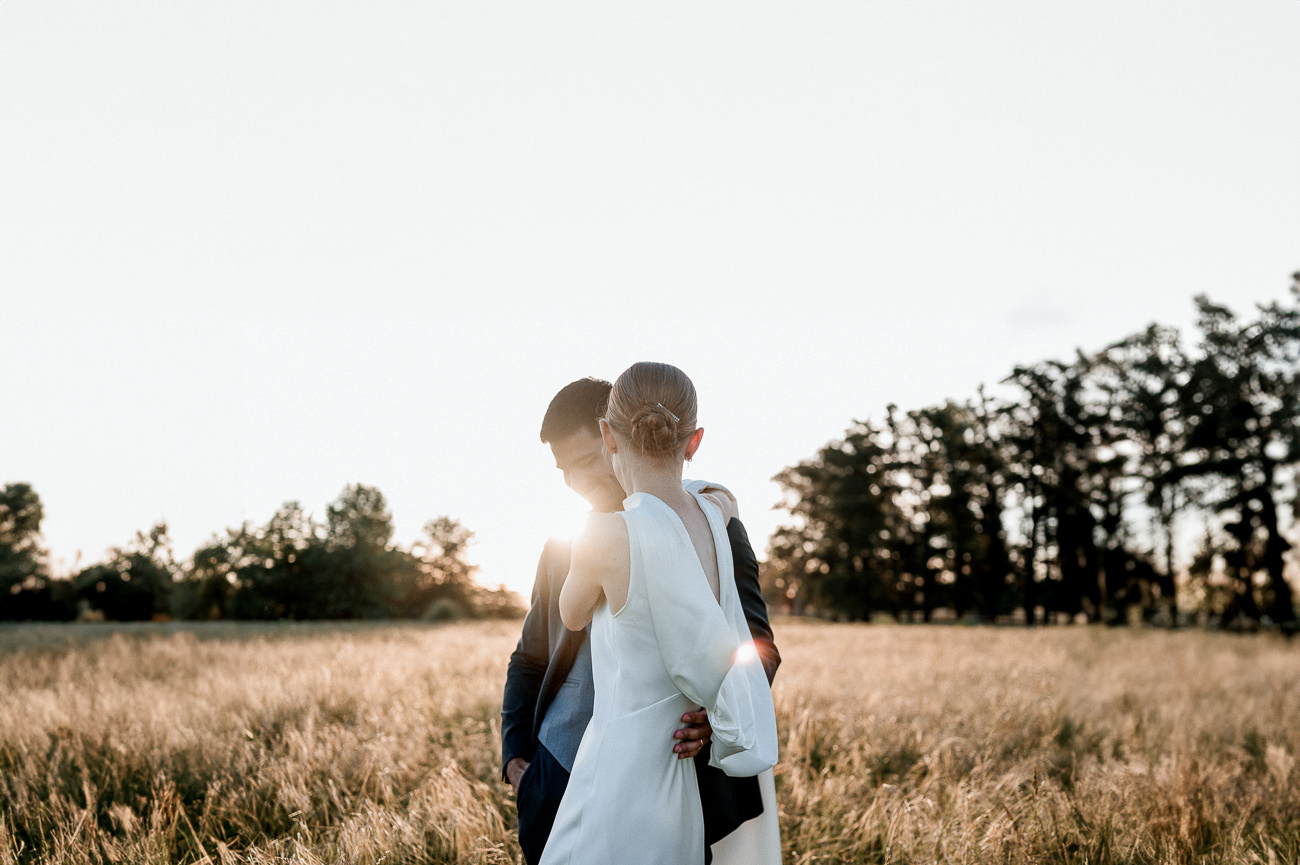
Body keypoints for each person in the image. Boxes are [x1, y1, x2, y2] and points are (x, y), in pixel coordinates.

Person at [501, 375, 781, 865]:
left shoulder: (711, 523)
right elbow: (530, 657)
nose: (575, 482)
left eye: (585, 461)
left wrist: (718, 719)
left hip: (675, 783)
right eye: (563, 470)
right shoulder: (563, 544)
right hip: (555, 782)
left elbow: (757, 645)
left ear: (614, 436)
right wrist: (515, 762)